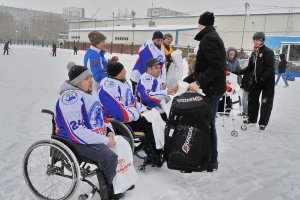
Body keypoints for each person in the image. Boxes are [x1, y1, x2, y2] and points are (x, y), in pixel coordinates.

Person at [55, 62, 128, 200]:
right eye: (86, 78)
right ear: (77, 83)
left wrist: (109, 131)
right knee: (109, 157)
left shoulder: (89, 91)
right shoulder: (70, 98)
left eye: (90, 77)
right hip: (72, 140)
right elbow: (77, 132)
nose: (91, 80)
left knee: (122, 143)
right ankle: (108, 191)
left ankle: (122, 180)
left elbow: (100, 115)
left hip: (91, 134)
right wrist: (105, 140)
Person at [183, 11, 226, 172]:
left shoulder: (209, 39)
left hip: (212, 88)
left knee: (208, 124)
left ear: (202, 24)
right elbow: (208, 65)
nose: (197, 26)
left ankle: (210, 160)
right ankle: (208, 158)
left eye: (198, 23)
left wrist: (199, 81)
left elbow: (216, 66)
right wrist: (191, 79)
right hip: (213, 86)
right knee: (208, 123)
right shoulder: (212, 36)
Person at [99, 62, 164, 167]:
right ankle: (154, 155)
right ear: (118, 73)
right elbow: (116, 110)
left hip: (132, 115)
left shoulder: (124, 82)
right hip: (122, 120)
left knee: (155, 118)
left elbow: (132, 100)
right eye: (123, 69)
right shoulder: (108, 86)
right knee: (149, 125)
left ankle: (160, 148)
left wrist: (143, 109)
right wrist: (136, 115)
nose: (125, 71)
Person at [239, 32, 275, 131]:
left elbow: (270, 68)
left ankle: (263, 123)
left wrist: (262, 78)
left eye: (258, 40)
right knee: (252, 99)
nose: (255, 42)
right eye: (254, 40)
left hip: (267, 81)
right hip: (256, 80)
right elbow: (250, 68)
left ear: (262, 40)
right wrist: (238, 72)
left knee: (266, 102)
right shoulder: (254, 52)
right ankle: (252, 119)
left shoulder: (268, 52)